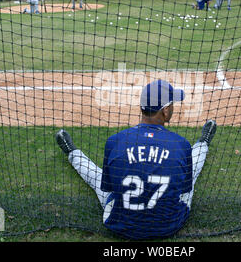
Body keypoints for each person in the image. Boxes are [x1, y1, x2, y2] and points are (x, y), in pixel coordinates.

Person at [55, 79, 217, 240]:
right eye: (173, 103)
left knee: (97, 177)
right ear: (165, 111)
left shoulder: (115, 141)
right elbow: (184, 190)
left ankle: (72, 152)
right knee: (191, 172)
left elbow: (108, 188)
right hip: (168, 225)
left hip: (121, 225)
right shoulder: (180, 145)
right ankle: (203, 142)